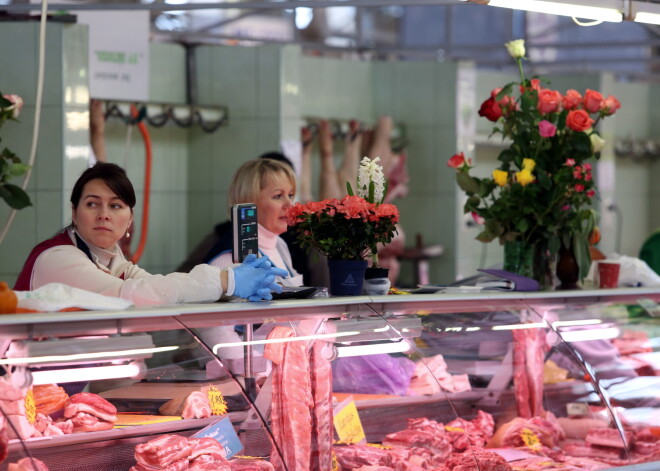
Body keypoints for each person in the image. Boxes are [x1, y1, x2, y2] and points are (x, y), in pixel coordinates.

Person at [13, 162, 287, 305]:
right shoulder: (58, 257)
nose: (104, 214)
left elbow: (159, 286)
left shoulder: (112, 259)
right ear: (74, 212)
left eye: (116, 205)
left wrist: (227, 286)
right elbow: (129, 294)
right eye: (92, 203)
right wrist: (227, 279)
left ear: (130, 218)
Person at [207, 158, 303, 287]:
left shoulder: (280, 245)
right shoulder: (231, 256)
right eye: (278, 196)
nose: (289, 205)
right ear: (249, 201)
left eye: (290, 195)